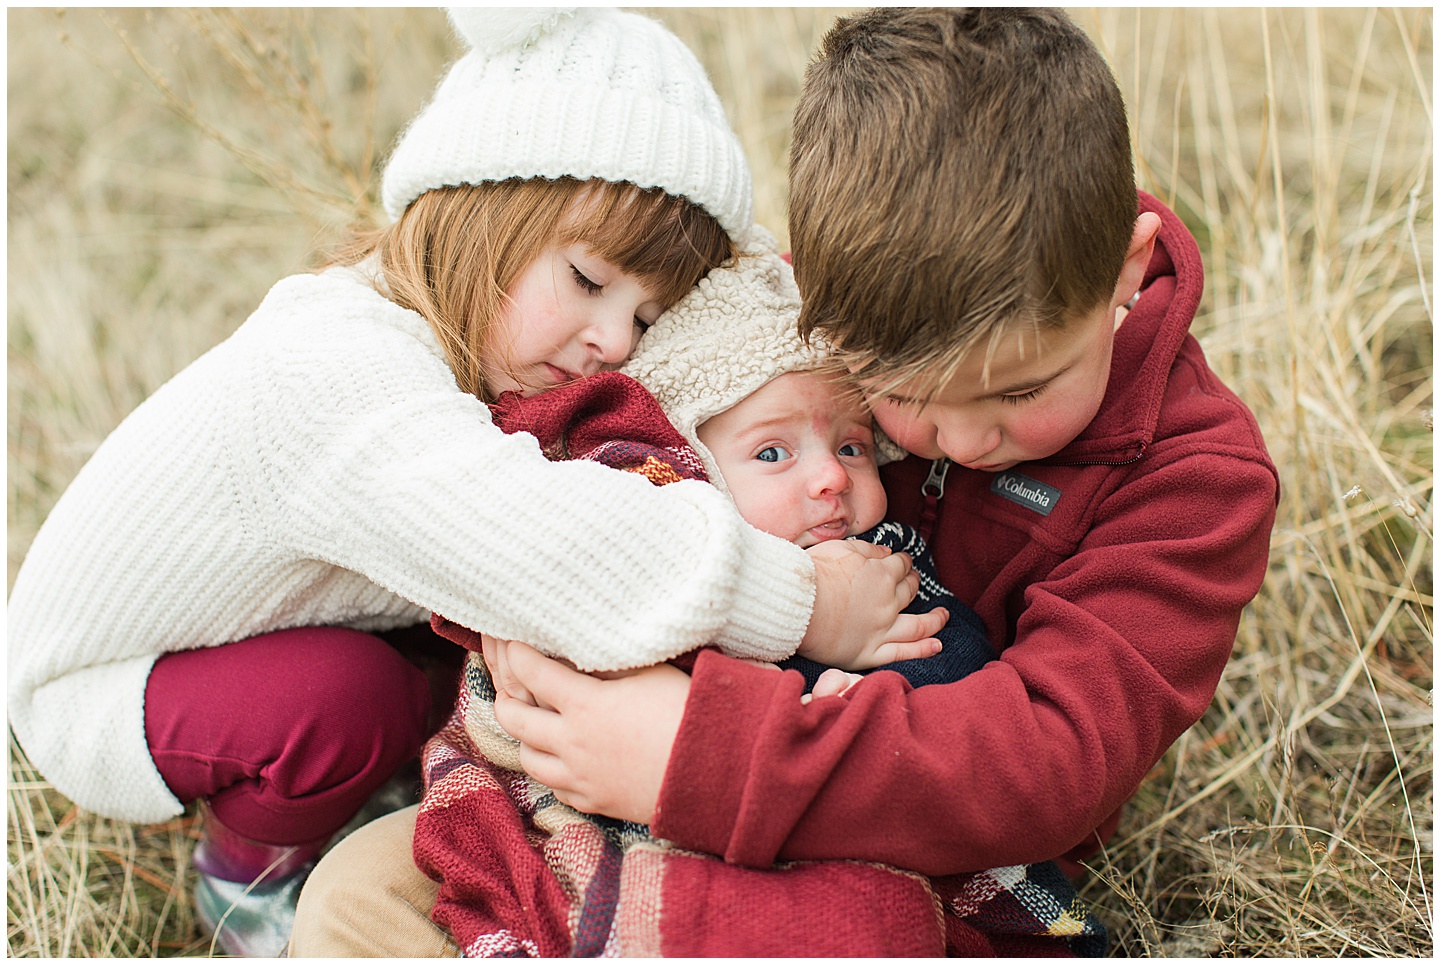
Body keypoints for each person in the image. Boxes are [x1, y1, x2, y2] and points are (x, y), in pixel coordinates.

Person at [289, 7, 1279, 957]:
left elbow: (1050, 760)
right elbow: (590, 432)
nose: (969, 438)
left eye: (1021, 388)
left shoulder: (1195, 479)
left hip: (896, 839)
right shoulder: (778, 322)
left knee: (855, 934)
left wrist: (695, 753)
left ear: (1126, 268)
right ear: (824, 315)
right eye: (903, 396)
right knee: (358, 896)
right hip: (613, 765)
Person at [5, 8, 942, 957]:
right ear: (481, 206)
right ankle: (246, 881)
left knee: (439, 664)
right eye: (586, 279)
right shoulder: (340, 378)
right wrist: (799, 602)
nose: (613, 341)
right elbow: (553, 549)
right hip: (109, 685)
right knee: (355, 699)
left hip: (267, 617)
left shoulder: (472, 343)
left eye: (644, 314)